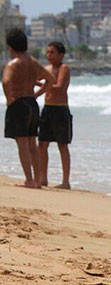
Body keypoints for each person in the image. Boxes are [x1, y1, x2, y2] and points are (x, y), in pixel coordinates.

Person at [2, 28, 55, 188]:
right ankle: (37, 181)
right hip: (32, 103)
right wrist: (37, 94)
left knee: (23, 143)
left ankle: (29, 180)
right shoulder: (33, 62)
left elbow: (5, 82)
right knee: (32, 143)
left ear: (10, 47)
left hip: (19, 104)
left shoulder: (14, 63)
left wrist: (9, 99)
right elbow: (50, 79)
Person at [35, 41, 72, 189]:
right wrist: (36, 92)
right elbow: (42, 84)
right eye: (48, 52)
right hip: (47, 109)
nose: (49, 55)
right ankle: (43, 178)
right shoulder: (47, 69)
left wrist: (43, 85)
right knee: (42, 144)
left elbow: (59, 88)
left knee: (62, 145)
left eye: (52, 52)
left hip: (60, 110)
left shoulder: (64, 69)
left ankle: (65, 181)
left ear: (61, 55)